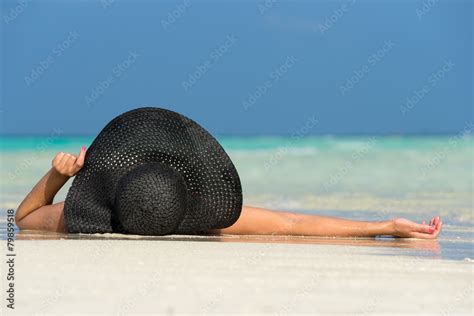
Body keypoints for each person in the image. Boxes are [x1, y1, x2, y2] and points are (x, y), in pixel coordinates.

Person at [15, 147, 442, 239]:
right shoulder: (211, 223)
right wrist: (383, 226)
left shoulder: (90, 221)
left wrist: (58, 176)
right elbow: (294, 225)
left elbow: (24, 217)